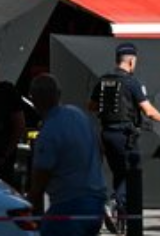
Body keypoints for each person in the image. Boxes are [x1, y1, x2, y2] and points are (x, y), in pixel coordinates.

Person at [88, 42, 160, 206]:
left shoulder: (103, 80)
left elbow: (91, 106)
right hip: (125, 135)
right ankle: (116, 202)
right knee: (132, 172)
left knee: (118, 172)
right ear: (131, 61)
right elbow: (148, 111)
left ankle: (120, 211)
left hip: (106, 134)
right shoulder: (131, 82)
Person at [27, 73, 107, 236]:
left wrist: (27, 206)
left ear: (34, 99)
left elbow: (40, 179)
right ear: (59, 94)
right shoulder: (78, 115)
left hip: (68, 205)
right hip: (95, 203)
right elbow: (99, 149)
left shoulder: (48, 132)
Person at [0, 80, 25, 188]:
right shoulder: (7, 91)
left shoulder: (7, 91)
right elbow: (19, 125)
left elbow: (20, 125)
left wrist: (5, 154)